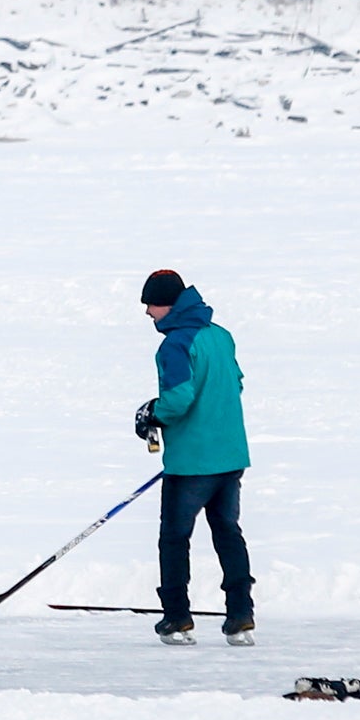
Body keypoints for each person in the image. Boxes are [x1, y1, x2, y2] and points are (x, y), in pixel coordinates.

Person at [134, 270, 253, 647]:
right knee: (228, 534)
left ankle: (178, 619)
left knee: (174, 538)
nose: (148, 314)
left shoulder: (174, 345)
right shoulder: (221, 336)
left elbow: (179, 400)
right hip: (230, 457)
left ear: (166, 305)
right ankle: (241, 618)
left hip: (191, 465)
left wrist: (152, 413)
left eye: (149, 305)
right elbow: (236, 383)